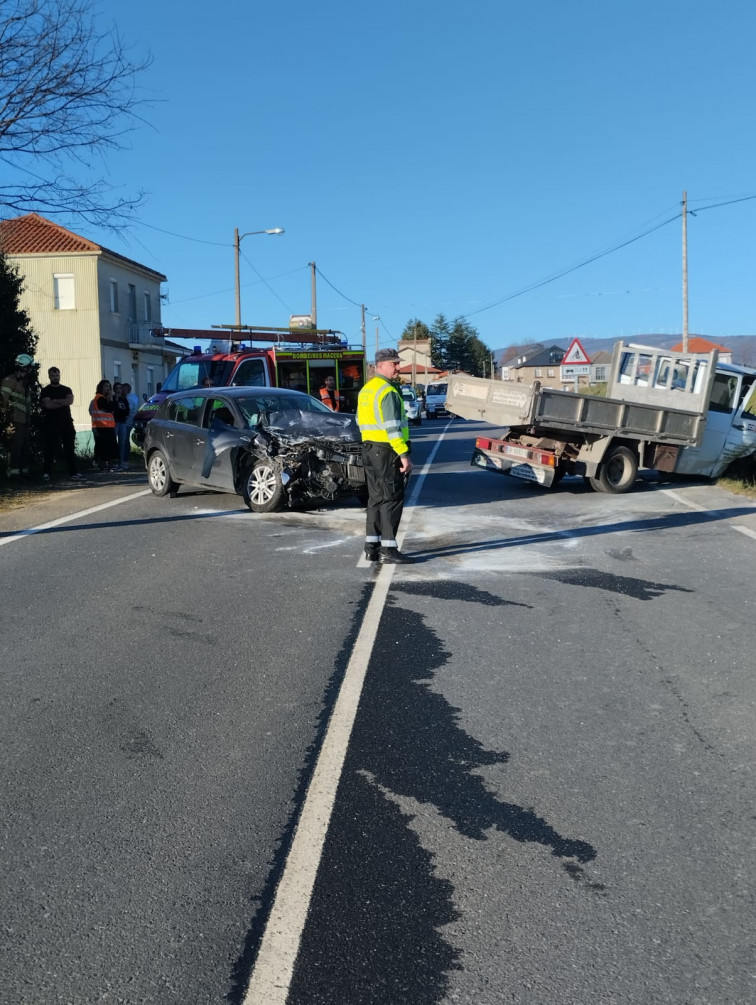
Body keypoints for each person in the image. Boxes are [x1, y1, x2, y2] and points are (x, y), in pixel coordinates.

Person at [356, 348, 414, 564]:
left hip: (369, 449)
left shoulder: (366, 390)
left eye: (397, 363)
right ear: (380, 366)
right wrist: (404, 454)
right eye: (394, 364)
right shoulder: (387, 391)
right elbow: (392, 428)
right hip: (387, 450)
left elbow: (359, 421)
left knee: (375, 498)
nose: (398, 367)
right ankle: (388, 550)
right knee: (391, 498)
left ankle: (371, 548)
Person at [39, 366, 83, 481]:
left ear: (59, 375)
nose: (55, 377)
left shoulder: (66, 389)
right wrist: (61, 402)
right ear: (49, 376)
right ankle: (47, 473)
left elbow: (70, 401)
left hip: (67, 423)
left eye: (57, 375)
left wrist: (54, 401)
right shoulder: (46, 390)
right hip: (51, 424)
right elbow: (48, 405)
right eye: (53, 375)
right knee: (49, 449)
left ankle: (73, 472)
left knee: (69, 449)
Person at [0, 353, 35, 478]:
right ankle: (13, 474)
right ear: (23, 366)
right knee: (15, 446)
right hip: (13, 419)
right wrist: (6, 422)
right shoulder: (9, 381)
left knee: (24, 447)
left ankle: (23, 472)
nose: (30, 370)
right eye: (29, 367)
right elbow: (2, 401)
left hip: (24, 420)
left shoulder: (24, 383)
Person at [90, 379, 118, 472]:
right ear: (101, 387)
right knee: (103, 447)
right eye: (106, 386)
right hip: (101, 426)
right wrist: (111, 401)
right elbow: (109, 408)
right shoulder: (99, 398)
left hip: (107, 426)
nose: (108, 388)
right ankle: (103, 466)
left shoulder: (102, 398)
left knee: (109, 446)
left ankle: (109, 465)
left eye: (109, 387)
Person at [112, 381, 130, 470]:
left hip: (122, 422)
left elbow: (127, 411)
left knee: (122, 443)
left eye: (120, 388)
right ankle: (114, 462)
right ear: (114, 390)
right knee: (113, 443)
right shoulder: (112, 398)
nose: (119, 390)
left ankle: (121, 462)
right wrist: (116, 400)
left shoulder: (124, 399)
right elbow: (112, 409)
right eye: (117, 388)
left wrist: (123, 412)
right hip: (115, 422)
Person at [123, 382, 139, 463]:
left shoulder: (129, 399)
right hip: (131, 422)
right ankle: (126, 458)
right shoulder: (134, 397)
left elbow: (127, 411)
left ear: (126, 389)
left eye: (122, 388)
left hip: (127, 422)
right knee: (125, 441)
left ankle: (125, 459)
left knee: (125, 441)